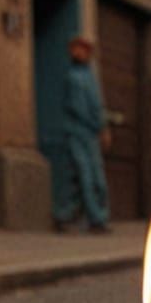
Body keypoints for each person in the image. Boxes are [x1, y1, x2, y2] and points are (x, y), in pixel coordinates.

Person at [55, 36, 111, 233]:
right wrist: (98, 125)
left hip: (89, 134)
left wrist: (102, 128)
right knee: (83, 176)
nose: (78, 53)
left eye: (82, 49)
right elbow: (78, 107)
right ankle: (92, 218)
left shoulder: (89, 76)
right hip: (77, 132)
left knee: (94, 179)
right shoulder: (73, 77)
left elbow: (96, 104)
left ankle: (77, 216)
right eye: (75, 49)